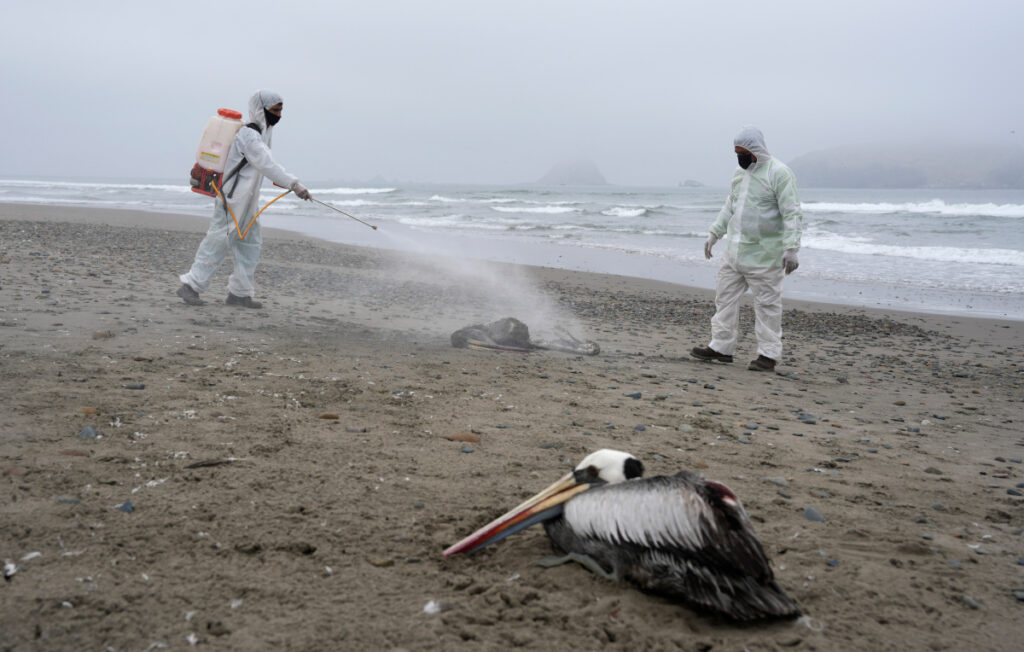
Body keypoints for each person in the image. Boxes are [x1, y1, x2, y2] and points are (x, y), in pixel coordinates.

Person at [177, 90, 312, 309]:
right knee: (217, 242)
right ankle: (191, 286)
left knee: (250, 245)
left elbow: (264, 164)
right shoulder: (249, 134)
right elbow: (267, 164)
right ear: (261, 109)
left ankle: (239, 294)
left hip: (247, 201)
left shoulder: (262, 133)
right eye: (275, 110)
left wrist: (292, 184)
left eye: (280, 110)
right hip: (231, 199)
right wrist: (295, 185)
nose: (279, 115)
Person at [691, 126, 802, 372]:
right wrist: (714, 233)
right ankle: (721, 347)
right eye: (736, 152)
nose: (739, 157)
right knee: (725, 299)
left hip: (765, 255)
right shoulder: (739, 175)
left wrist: (792, 248)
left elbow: (791, 212)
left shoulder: (780, 174)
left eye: (743, 152)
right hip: (735, 252)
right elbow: (730, 206)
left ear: (755, 150)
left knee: (767, 306)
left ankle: (768, 355)